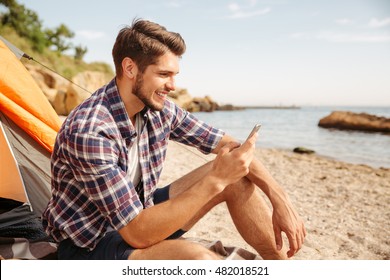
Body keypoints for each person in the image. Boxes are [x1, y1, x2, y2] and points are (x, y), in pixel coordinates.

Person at [42, 19, 306, 260]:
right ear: (130, 68)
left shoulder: (159, 109)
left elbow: (231, 146)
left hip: (137, 212)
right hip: (89, 244)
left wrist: (279, 198)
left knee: (235, 179)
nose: (173, 85)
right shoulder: (90, 132)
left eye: (174, 75)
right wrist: (216, 180)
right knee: (198, 260)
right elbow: (137, 234)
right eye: (164, 74)